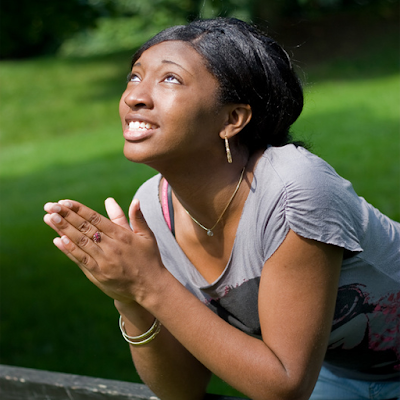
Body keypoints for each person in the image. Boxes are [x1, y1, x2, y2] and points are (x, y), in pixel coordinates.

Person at [43, 17, 400, 400]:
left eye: (170, 79)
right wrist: (130, 298)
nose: (135, 97)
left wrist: (149, 282)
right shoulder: (152, 211)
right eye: (135, 76)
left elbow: (285, 385)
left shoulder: (293, 190)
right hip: (338, 374)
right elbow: (182, 390)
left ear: (232, 119)